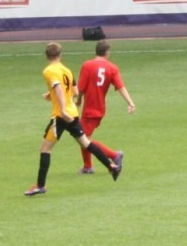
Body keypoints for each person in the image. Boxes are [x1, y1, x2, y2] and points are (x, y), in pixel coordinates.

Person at [25, 43, 123, 196]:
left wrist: (62, 108)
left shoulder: (49, 71)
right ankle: (112, 167)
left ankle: (40, 185)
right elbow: (75, 92)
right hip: (73, 114)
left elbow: (58, 88)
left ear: (47, 56)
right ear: (60, 55)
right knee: (86, 143)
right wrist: (51, 95)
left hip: (61, 116)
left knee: (45, 149)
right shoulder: (67, 70)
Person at [75, 40, 135, 174]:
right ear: (107, 53)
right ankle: (88, 166)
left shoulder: (87, 65)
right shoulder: (112, 68)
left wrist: (78, 101)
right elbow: (120, 87)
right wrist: (130, 102)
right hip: (100, 108)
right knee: (83, 137)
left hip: (90, 109)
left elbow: (81, 88)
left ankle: (114, 155)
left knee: (84, 139)